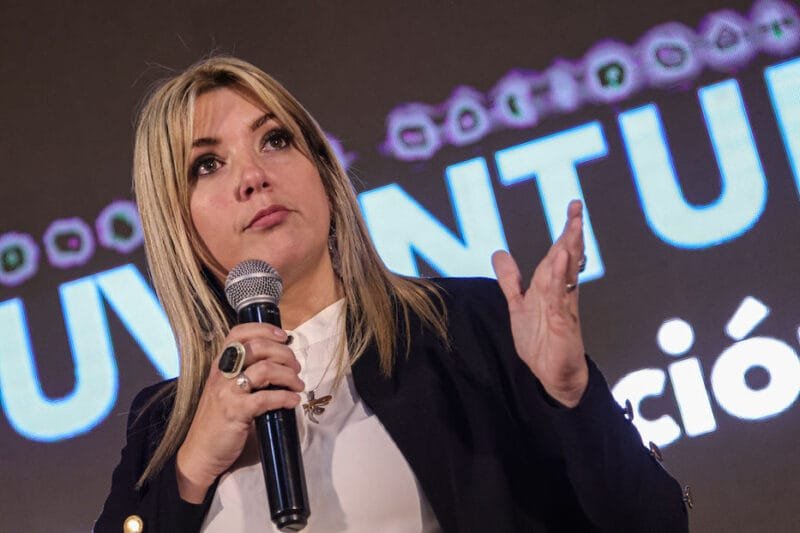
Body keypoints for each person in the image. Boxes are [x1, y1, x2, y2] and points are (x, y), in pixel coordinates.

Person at [95, 56, 688, 532]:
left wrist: (572, 398)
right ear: (179, 225)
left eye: (274, 140)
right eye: (207, 165)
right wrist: (193, 467)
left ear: (322, 171)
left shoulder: (464, 329)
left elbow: (654, 522)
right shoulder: (161, 428)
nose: (253, 176)